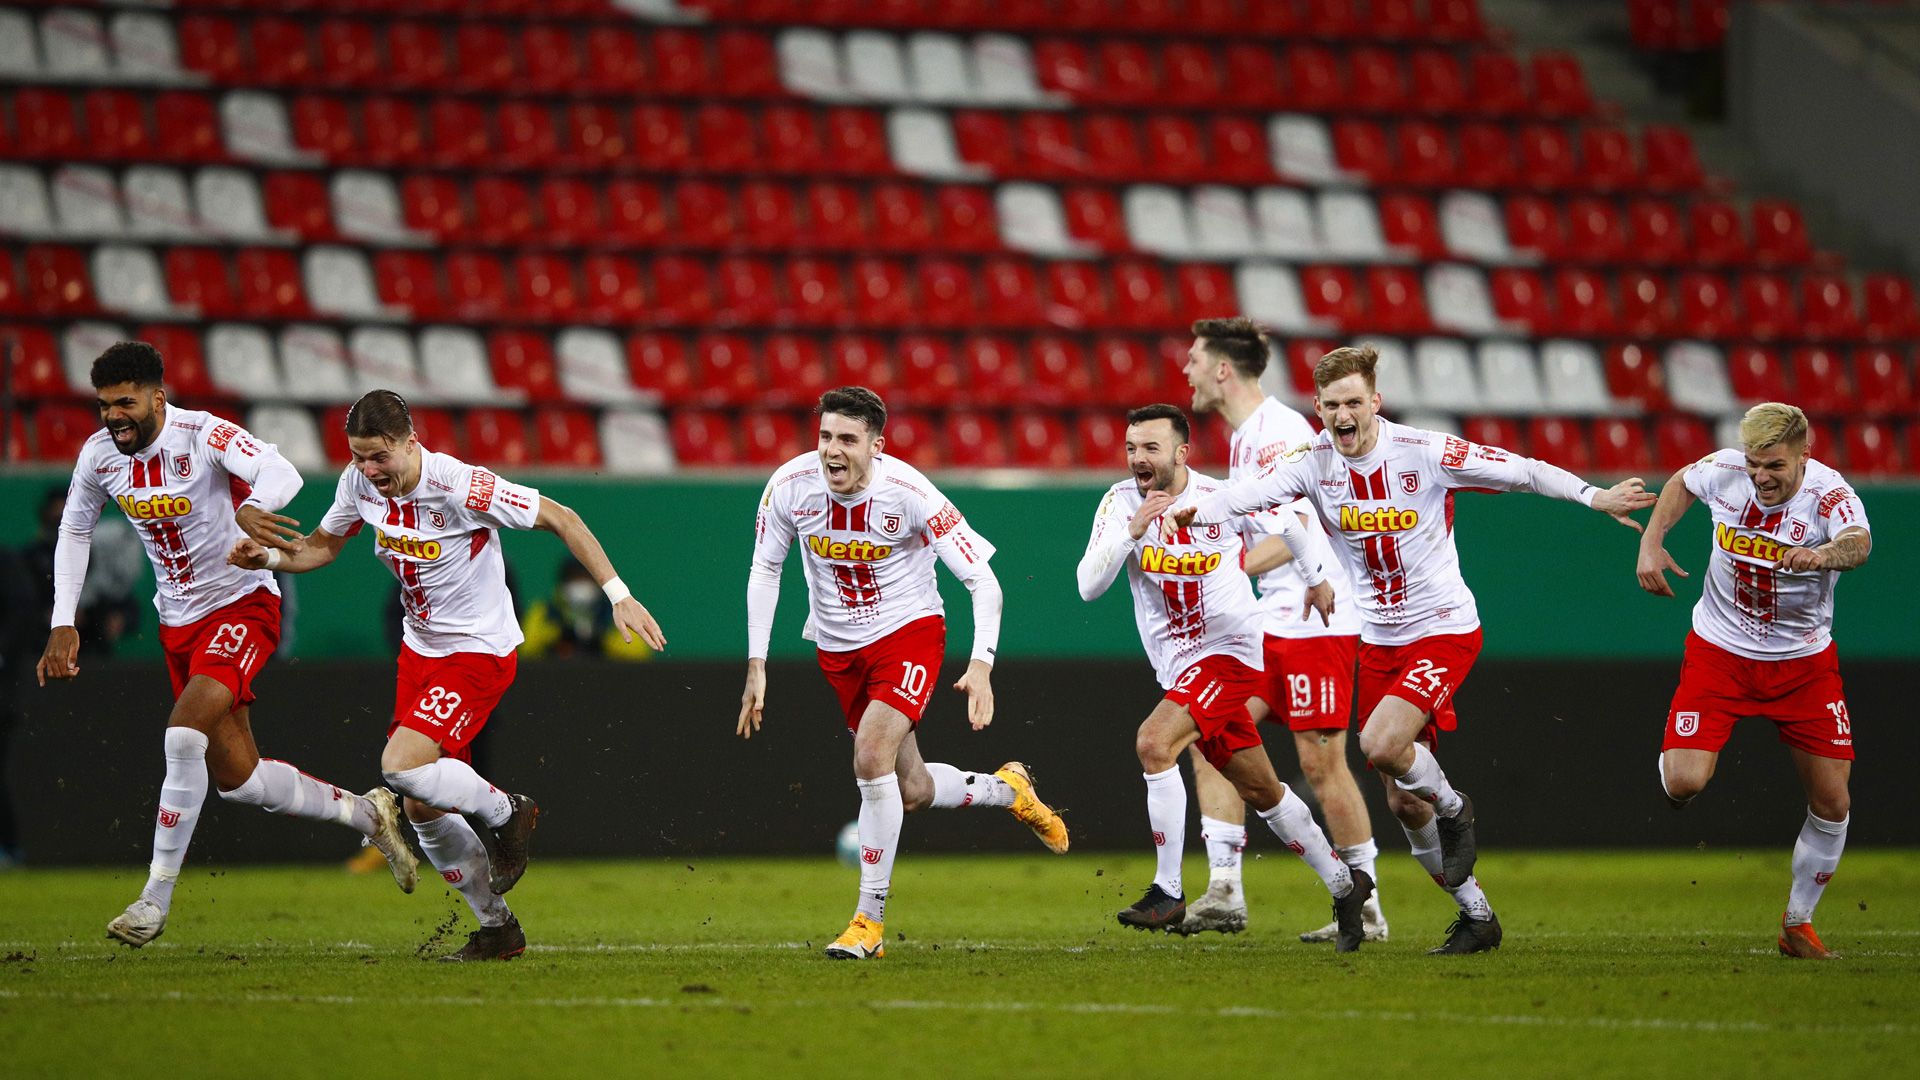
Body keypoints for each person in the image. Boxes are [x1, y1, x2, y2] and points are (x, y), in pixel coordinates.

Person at [1171, 345, 1655, 953]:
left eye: (1354, 402)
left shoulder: (1425, 452)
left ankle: (1455, 808)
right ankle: (1477, 915)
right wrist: (1195, 507)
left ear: (1375, 402)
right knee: (1401, 801)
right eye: (1331, 406)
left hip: (1444, 627)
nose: (1342, 415)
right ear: (1318, 408)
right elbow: (1247, 496)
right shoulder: (1312, 461)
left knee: (1380, 743)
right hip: (1379, 642)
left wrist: (1593, 497)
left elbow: (1522, 469)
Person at [229, 389, 666, 962]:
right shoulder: (357, 484)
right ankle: (498, 928)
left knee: (398, 768)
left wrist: (619, 595)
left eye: (379, 456)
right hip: (421, 651)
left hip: (478, 650)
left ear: (411, 441)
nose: (368, 470)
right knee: (420, 805)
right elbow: (321, 548)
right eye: (359, 457)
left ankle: (511, 811)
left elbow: (563, 517)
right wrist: (269, 560)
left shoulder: (460, 485)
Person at [37, 342, 418, 947]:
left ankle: (152, 900)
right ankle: (367, 814)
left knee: (183, 731)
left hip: (241, 605)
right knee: (239, 779)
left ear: (157, 397)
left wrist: (254, 509)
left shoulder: (202, 433)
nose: (114, 416)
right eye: (105, 405)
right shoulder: (98, 456)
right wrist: (64, 620)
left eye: (125, 402)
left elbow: (282, 472)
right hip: (178, 624)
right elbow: (75, 528)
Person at [738, 386, 1069, 960]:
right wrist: (757, 662)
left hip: (909, 635)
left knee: (870, 757)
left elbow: (984, 583)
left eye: (847, 439)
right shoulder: (790, 487)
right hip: (838, 651)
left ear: (877, 445)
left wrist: (982, 664)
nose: (831, 452)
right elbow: (766, 568)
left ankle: (869, 921)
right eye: (824, 437)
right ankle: (1007, 789)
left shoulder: (912, 493)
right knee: (909, 789)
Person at [1077, 404, 1375, 951]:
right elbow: (1088, 586)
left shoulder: (1222, 498)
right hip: (1180, 670)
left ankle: (1167, 890)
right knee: (1263, 790)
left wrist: (1315, 580)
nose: (1139, 459)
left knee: (1154, 742)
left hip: (1232, 654)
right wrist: (1131, 531)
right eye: (1131, 448)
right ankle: (1345, 884)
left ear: (1181, 453)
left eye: (1151, 448)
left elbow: (1292, 524)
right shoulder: (1119, 503)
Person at [1177, 317, 1387, 943]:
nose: (1185, 370)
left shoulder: (1281, 433)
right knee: (1208, 728)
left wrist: (1222, 570)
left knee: (1322, 764)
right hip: (1272, 621)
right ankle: (1225, 890)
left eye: (1193, 359)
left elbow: (1299, 529)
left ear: (1221, 369)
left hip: (1317, 620)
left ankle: (1368, 908)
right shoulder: (1246, 439)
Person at [1635, 403, 1870, 959]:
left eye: (1775, 466)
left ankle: (1797, 924)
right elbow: (1680, 483)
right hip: (1720, 652)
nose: (1761, 476)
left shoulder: (1830, 496)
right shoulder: (1726, 470)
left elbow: (1858, 544)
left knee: (1833, 800)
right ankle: (1675, 755)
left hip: (1803, 665)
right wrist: (1652, 539)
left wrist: (1820, 556)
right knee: (1683, 785)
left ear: (1803, 454)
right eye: (1754, 463)